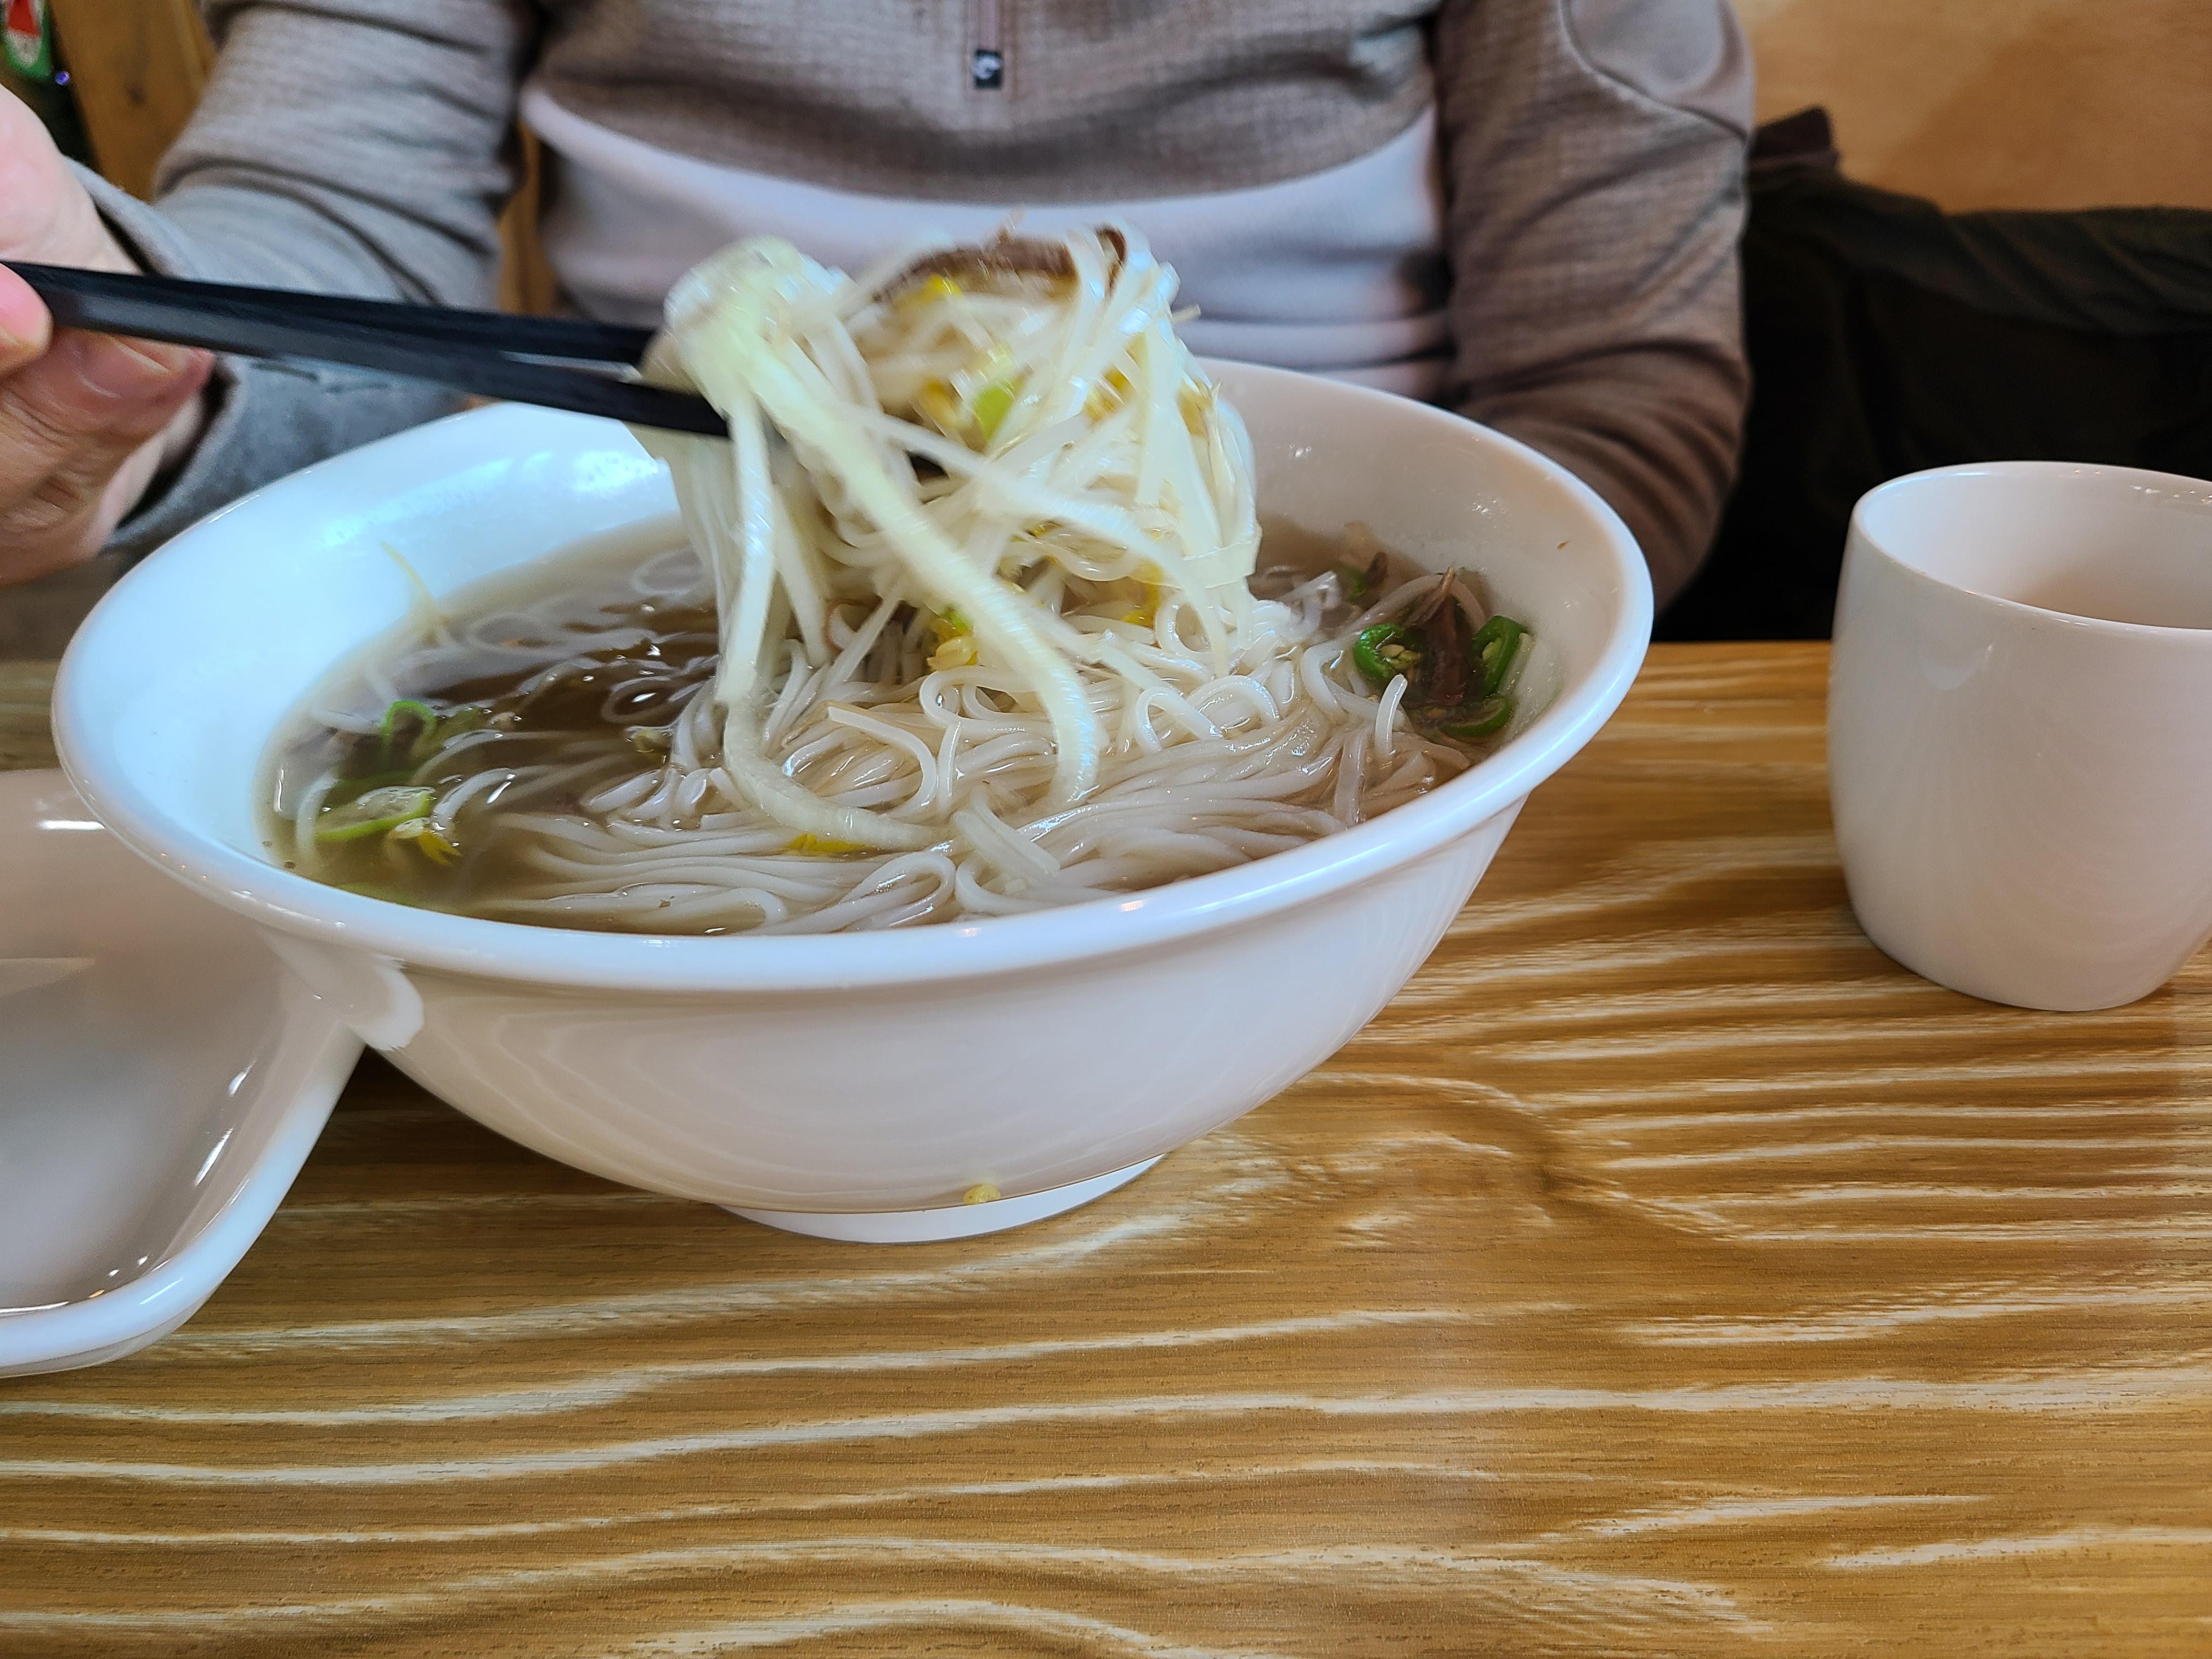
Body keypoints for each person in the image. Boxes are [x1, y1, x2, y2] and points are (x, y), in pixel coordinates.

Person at [0, 1, 1752, 601]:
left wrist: (1367, 656)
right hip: (678, 540)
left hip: (1354, 568)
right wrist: (113, 377)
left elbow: (1617, 391)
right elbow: (331, 246)